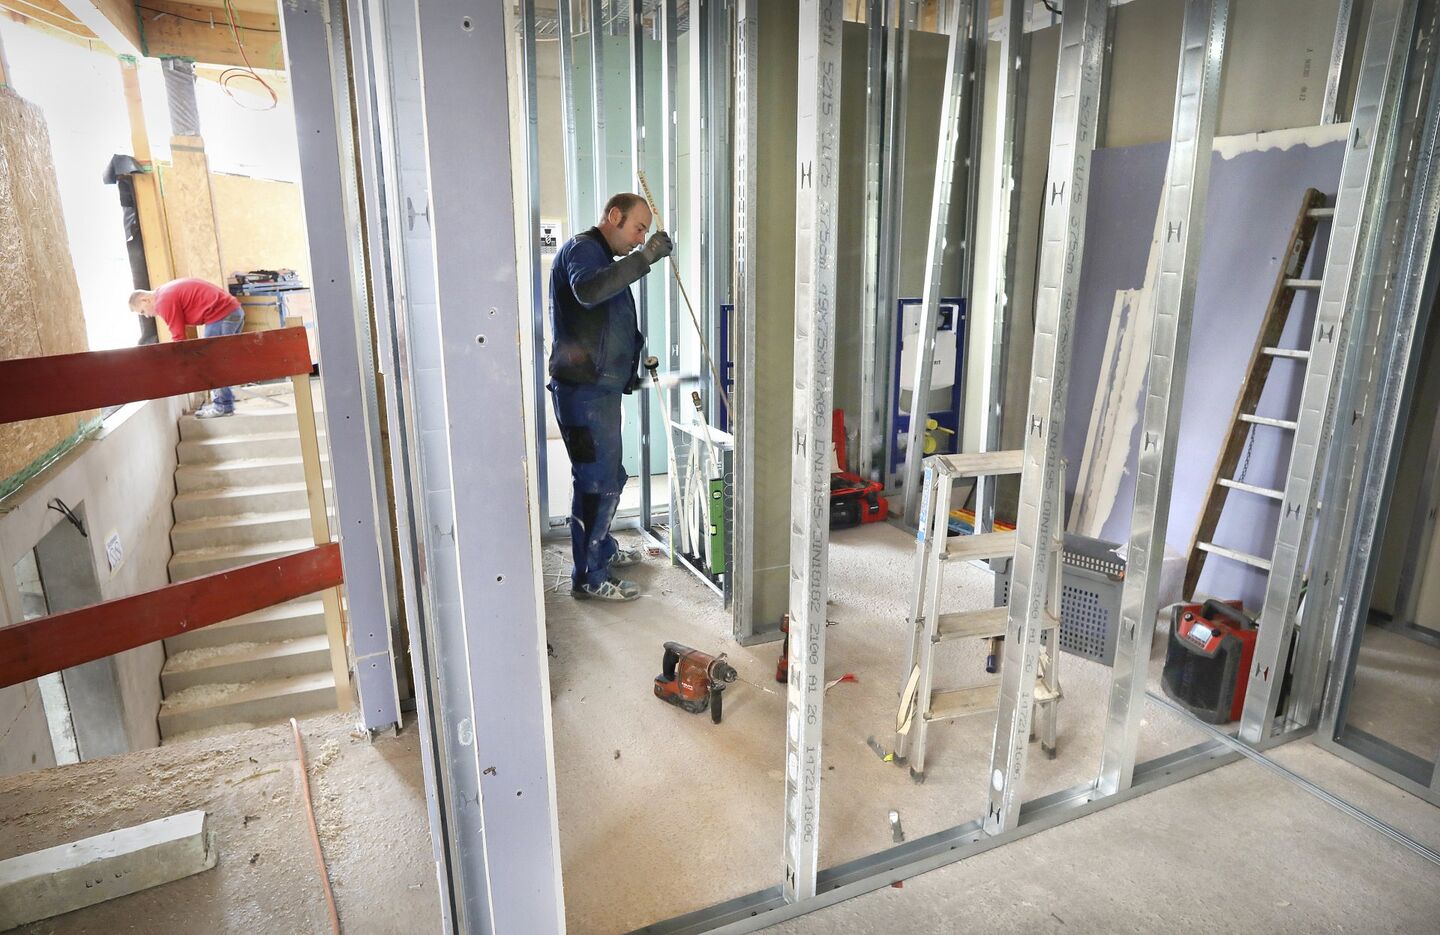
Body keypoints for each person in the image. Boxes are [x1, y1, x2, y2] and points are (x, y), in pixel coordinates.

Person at [549, 193, 673, 601]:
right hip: (582, 393)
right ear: (614, 216)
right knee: (595, 483)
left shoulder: (603, 258)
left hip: (598, 392)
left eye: (644, 234)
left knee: (610, 477)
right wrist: (647, 257)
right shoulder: (583, 250)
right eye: (638, 229)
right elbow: (589, 291)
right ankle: (589, 576)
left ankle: (601, 549)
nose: (640, 239)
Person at [129, 278, 246, 419]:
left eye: (143, 312)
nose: (147, 316)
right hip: (232, 311)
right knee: (218, 362)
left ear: (145, 300)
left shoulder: (163, 302)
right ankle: (224, 403)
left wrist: (179, 363)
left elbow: (179, 337)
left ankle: (222, 406)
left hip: (221, 315)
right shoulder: (165, 291)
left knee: (212, 363)